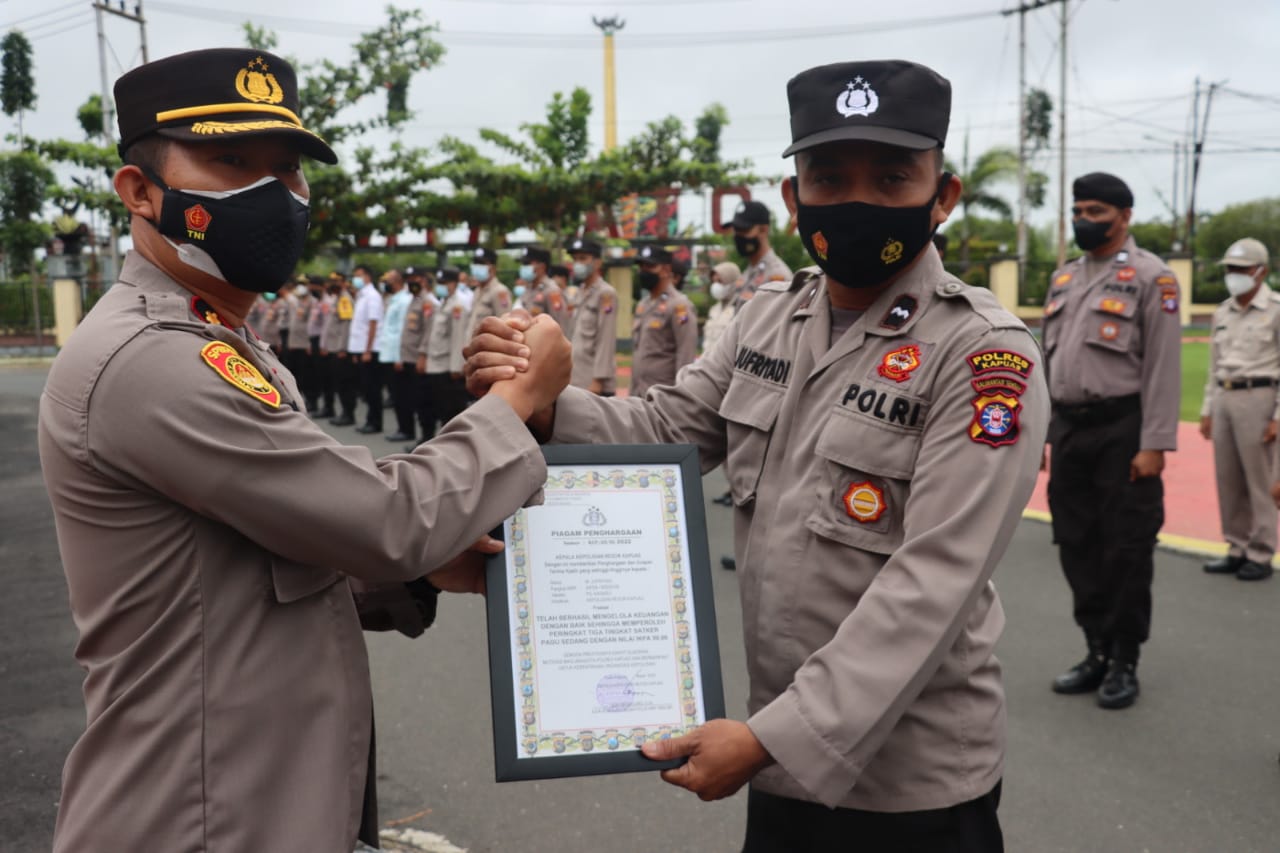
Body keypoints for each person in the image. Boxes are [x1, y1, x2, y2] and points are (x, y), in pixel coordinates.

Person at [467, 59, 1048, 851]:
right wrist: (535, 401)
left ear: (940, 197)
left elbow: (934, 580)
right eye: (829, 176)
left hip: (908, 783)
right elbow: (667, 424)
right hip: (779, 753)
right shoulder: (768, 319)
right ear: (793, 196)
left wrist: (774, 737)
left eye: (890, 178)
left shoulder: (981, 354)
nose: (857, 202)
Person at [37, 47, 571, 853]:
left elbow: (236, 574)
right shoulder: (153, 358)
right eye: (231, 162)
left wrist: (415, 569)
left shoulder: (218, 335)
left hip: (247, 795)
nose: (273, 194)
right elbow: (384, 518)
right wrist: (519, 396)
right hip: (197, 816)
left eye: (286, 169)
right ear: (140, 192)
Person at [1043, 172, 1182, 710]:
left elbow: (1164, 369)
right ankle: (1095, 648)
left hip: (1124, 430)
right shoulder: (1064, 278)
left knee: (1124, 548)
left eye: (1096, 211)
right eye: (1078, 209)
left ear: (1124, 217)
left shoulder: (1153, 278)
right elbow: (1051, 362)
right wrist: (1044, 434)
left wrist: (1155, 444)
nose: (1083, 219)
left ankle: (1125, 659)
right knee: (1076, 541)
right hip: (1072, 430)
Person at [1200, 237, 1277, 581]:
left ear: (1262, 271)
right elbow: (1214, 366)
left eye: (1241, 269)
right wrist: (1208, 408)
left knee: (1258, 480)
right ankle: (1236, 546)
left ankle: (1261, 552)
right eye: (1231, 269)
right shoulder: (1222, 311)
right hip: (1225, 396)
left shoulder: (1275, 309)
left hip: (1259, 398)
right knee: (1227, 478)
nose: (1235, 275)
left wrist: (1278, 416)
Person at [629, 244, 698, 397]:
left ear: (666, 270)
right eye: (641, 266)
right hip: (639, 392)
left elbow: (685, 354)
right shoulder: (643, 305)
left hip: (662, 394)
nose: (643, 271)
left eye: (650, 266)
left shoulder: (679, 306)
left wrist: (681, 396)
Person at [566, 236, 618, 396]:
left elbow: (606, 338)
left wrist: (598, 379)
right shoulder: (579, 291)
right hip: (577, 377)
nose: (578, 263)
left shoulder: (606, 294)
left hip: (593, 382)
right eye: (575, 259)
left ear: (597, 262)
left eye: (583, 258)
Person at [424, 265, 470, 427]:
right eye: (440, 282)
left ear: (454, 284)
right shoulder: (443, 302)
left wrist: (456, 367)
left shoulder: (458, 305)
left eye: (445, 282)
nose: (442, 285)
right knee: (441, 409)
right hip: (436, 364)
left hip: (448, 368)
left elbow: (458, 337)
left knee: (452, 411)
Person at [727, 199, 792, 309]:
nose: (738, 236)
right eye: (736, 230)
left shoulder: (776, 275)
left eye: (744, 230)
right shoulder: (749, 271)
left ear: (763, 230)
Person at [376, 269, 416, 442]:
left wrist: (400, 357)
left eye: (389, 280)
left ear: (398, 281)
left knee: (403, 395)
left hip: (397, 355)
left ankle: (406, 430)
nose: (386, 284)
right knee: (397, 395)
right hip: (389, 353)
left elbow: (402, 330)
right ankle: (402, 428)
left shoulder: (404, 300)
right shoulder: (394, 299)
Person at [348, 263, 384, 434]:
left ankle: (375, 422)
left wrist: (368, 350)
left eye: (359, 275)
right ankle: (370, 420)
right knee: (366, 387)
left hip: (370, 350)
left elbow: (373, 324)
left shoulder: (372, 296)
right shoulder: (361, 295)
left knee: (372, 388)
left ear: (367, 277)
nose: (356, 279)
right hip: (360, 349)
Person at [327, 272, 359, 426]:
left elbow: (346, 325)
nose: (333, 283)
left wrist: (342, 348)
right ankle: (345, 412)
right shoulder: (338, 298)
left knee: (345, 382)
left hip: (341, 349)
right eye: (332, 281)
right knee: (339, 382)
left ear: (344, 282)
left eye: (337, 281)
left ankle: (348, 414)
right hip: (335, 347)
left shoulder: (345, 299)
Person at [466, 247, 514, 340]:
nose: (477, 266)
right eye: (476, 263)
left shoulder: (499, 292)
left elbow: (504, 325)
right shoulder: (477, 291)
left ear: (492, 268)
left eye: (481, 264)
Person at [305, 273, 333, 416]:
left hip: (322, 342)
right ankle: (316, 404)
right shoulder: (316, 301)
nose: (310, 289)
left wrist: (323, 345)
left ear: (321, 287)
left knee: (325, 376)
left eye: (313, 287)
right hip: (314, 341)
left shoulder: (327, 302)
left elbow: (327, 326)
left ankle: (328, 407)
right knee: (315, 375)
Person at [522, 245, 569, 328]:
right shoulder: (529, 288)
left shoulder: (552, 290)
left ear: (542, 266)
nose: (523, 267)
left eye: (527, 264)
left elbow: (560, 323)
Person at [704, 260, 741, 357]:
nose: (715, 286)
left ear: (732, 282)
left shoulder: (741, 309)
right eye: (714, 281)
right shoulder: (714, 309)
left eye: (720, 281)